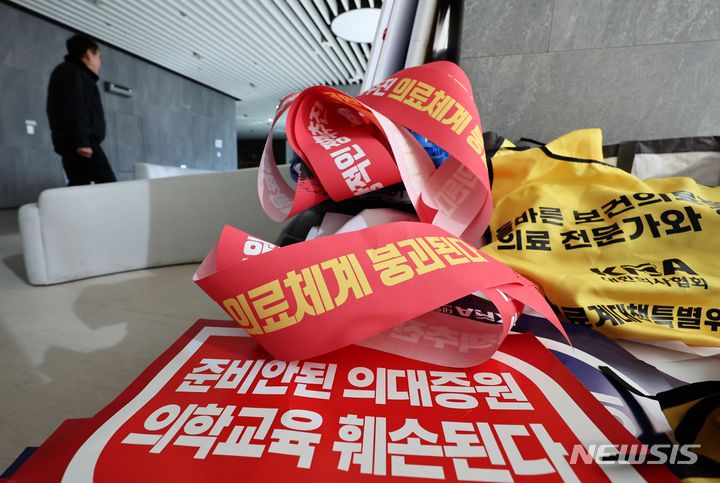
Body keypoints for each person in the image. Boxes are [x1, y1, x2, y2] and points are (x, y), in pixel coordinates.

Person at [47, 34, 116, 185]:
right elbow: (75, 107)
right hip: (82, 144)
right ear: (89, 54)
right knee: (108, 184)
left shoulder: (68, 71)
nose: (99, 63)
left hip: (74, 142)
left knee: (79, 185)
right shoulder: (75, 73)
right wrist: (82, 141)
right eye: (99, 58)